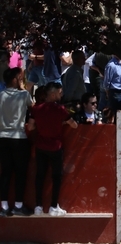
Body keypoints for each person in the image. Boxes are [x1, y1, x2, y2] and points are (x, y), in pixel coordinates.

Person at [30, 82, 78, 216]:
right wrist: (61, 122)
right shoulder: (60, 110)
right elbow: (74, 125)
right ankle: (53, 206)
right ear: (52, 94)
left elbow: (30, 127)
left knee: (40, 176)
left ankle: (38, 206)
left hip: (40, 146)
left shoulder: (37, 109)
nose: (61, 94)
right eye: (59, 92)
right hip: (55, 147)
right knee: (56, 177)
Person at [0, 67, 34, 216]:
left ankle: (4, 205)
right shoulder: (24, 95)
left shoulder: (1, 95)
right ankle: (18, 205)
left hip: (2, 137)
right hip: (18, 137)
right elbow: (33, 107)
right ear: (14, 80)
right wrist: (22, 88)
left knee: (5, 173)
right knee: (20, 173)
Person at [104, 54, 121, 119]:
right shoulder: (111, 65)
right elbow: (107, 83)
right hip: (116, 94)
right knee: (116, 115)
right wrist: (109, 94)